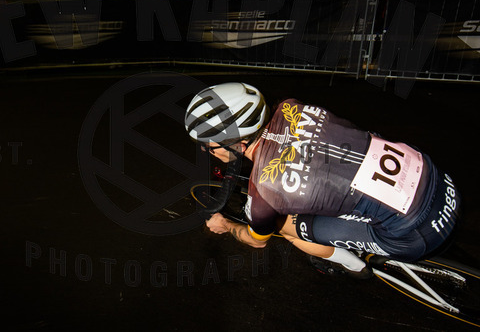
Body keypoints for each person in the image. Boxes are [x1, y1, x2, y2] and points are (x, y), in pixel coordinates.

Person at [184, 82, 461, 278]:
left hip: (419, 234)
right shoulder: (291, 106)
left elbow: (257, 241)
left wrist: (225, 225)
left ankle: (354, 267)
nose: (206, 151)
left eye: (209, 146)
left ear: (239, 144)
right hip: (439, 179)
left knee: (285, 228)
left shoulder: (266, 190)